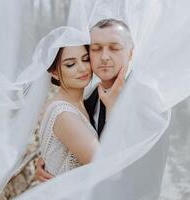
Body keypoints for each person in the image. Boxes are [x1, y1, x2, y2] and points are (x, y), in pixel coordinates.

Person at [36, 18, 134, 181]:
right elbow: (111, 172)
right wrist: (112, 109)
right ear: (54, 72)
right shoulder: (63, 114)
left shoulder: (87, 98)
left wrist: (49, 160)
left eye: (85, 59)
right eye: (70, 64)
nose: (82, 68)